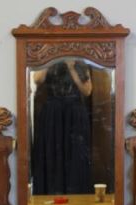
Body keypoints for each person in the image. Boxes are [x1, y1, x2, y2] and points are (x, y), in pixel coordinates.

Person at [31, 59, 93, 196]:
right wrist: (50, 60)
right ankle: (50, 194)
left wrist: (71, 68)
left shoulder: (80, 63)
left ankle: (77, 196)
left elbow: (87, 91)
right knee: (52, 150)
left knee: (76, 153)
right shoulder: (49, 61)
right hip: (53, 113)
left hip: (74, 114)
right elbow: (37, 80)